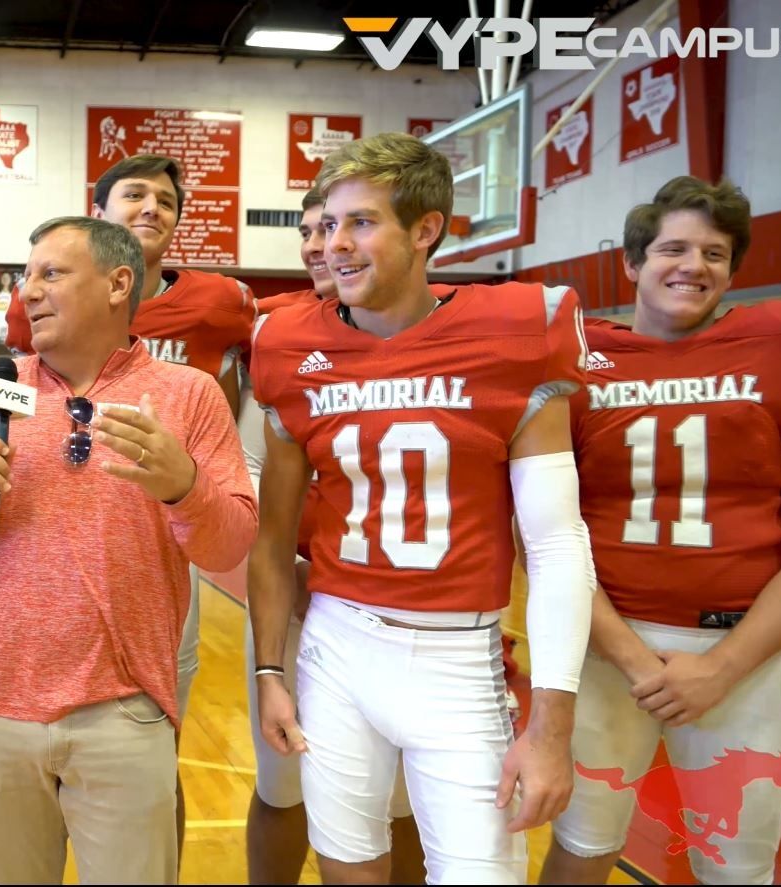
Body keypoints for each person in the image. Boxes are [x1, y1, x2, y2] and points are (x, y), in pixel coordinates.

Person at [249, 131, 594, 883]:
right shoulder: (287, 344)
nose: (335, 244)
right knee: (347, 869)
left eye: (361, 222)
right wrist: (270, 669)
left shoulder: (515, 333)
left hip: (458, 657)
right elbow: (273, 539)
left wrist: (551, 726)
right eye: (329, 224)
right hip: (335, 645)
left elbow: (556, 544)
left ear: (425, 229)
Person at [0, 216, 257, 884]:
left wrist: (185, 486)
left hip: (124, 710)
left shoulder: (188, 394)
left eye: (51, 274)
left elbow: (231, 542)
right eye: (26, 276)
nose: (29, 292)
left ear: (118, 284)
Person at [541, 177, 781, 885]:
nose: (693, 265)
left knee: (738, 868)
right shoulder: (576, 363)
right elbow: (542, 537)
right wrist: (634, 659)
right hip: (605, 648)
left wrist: (722, 667)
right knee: (582, 844)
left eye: (714, 254)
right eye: (673, 249)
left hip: (738, 651)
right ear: (632, 262)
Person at [3, 153, 257, 857]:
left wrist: (207, 471)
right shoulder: (43, 297)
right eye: (135, 195)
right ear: (100, 215)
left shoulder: (221, 302)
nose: (152, 209)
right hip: (59, 522)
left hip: (166, 530)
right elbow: (26, 391)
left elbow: (246, 383)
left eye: (166, 201)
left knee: (153, 739)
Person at [238, 189, 426, 887]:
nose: (323, 245)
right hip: (299, 597)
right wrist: (292, 575)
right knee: (283, 783)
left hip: (406, 606)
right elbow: (247, 474)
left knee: (402, 799)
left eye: (342, 228)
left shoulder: (431, 332)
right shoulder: (278, 334)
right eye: (311, 231)